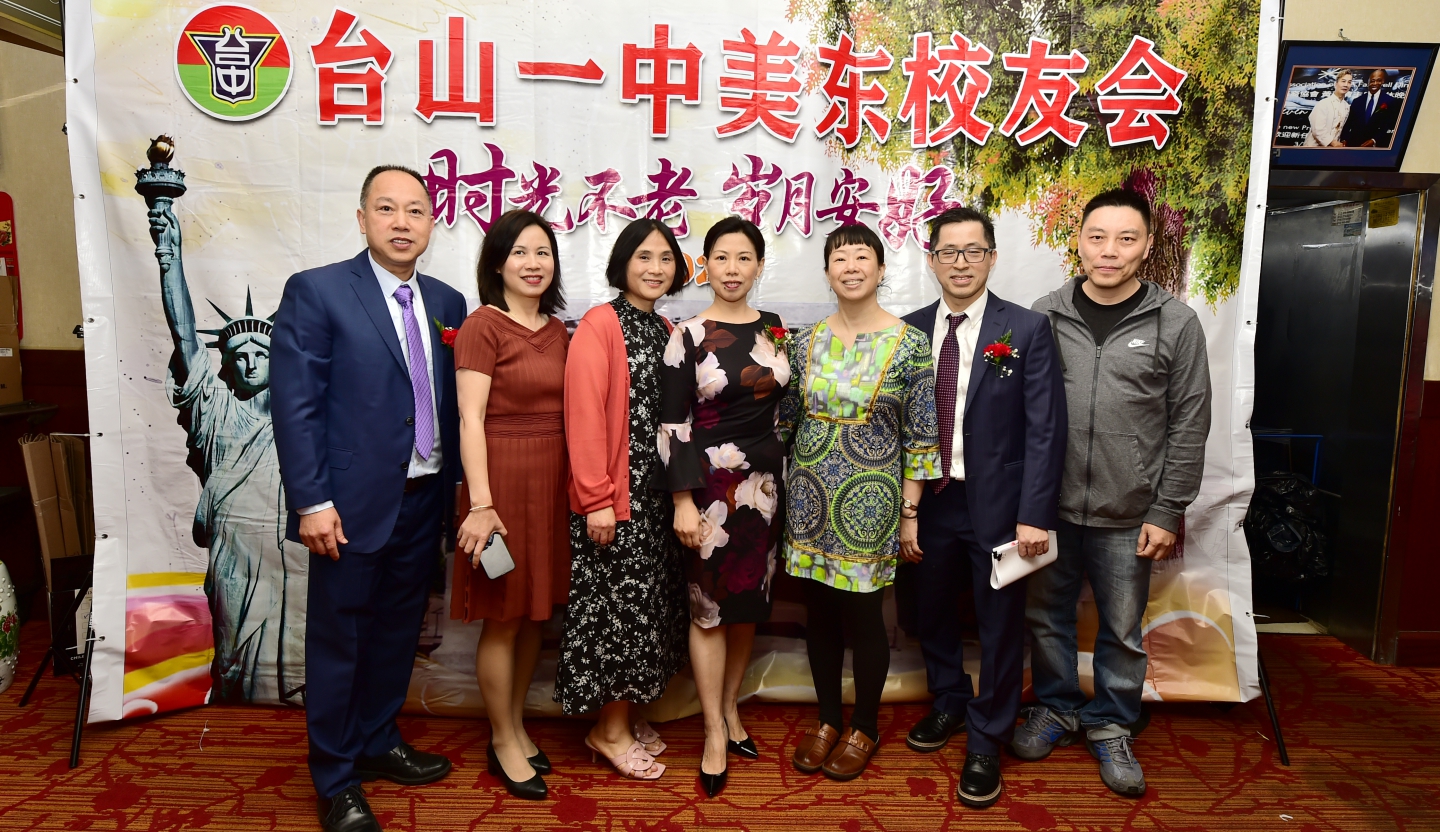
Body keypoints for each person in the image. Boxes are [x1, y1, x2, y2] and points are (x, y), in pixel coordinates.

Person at [271, 166, 466, 832]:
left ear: (432, 223)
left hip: (423, 498)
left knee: (396, 634)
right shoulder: (318, 291)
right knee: (340, 641)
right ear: (362, 219)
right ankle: (334, 778)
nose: (402, 222)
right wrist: (312, 501)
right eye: (387, 209)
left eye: (416, 210)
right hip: (347, 505)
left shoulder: (447, 302)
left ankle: (378, 741)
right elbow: (295, 407)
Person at [1018, 189, 1212, 798]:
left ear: (1147, 246)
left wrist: (1167, 508)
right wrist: (1024, 504)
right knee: (1045, 618)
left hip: (1130, 512)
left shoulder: (1175, 322)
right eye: (1097, 237)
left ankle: (1112, 723)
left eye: (1126, 239)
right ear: (1077, 241)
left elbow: (1190, 422)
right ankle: (1055, 707)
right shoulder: (1044, 315)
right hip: (1048, 509)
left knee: (1122, 629)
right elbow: (1021, 415)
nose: (1109, 251)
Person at [896, 207, 1066, 808]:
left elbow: (1046, 429)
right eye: (949, 251)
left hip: (999, 504)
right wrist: (903, 507)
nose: (961, 262)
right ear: (931, 259)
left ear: (992, 257)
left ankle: (987, 736)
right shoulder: (908, 330)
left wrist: (1035, 513)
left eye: (974, 251)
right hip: (928, 500)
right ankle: (948, 700)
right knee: (931, 609)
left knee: (999, 624)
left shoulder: (1026, 328)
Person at [780, 223, 940, 781]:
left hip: (870, 504)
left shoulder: (910, 343)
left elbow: (922, 436)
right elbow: (785, 423)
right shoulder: (803, 342)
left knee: (866, 615)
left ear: (881, 269)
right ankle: (828, 720)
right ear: (827, 272)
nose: (851, 267)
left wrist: (909, 513)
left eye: (861, 257)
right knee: (819, 614)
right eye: (840, 258)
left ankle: (864, 726)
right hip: (808, 500)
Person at [148, 200, 305, 705]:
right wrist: (169, 257)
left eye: (261, 354)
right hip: (234, 547)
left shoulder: (302, 416)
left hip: (292, 546)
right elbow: (185, 337)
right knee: (235, 653)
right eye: (240, 356)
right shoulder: (213, 412)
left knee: (296, 653)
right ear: (227, 365)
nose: (251, 362)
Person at [556, 218, 691, 781]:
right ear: (622, 264)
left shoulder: (665, 328)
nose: (655, 268)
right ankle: (606, 731)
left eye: (665, 258)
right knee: (616, 616)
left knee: (646, 614)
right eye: (643, 257)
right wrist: (596, 498)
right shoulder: (600, 323)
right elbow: (584, 415)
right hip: (615, 499)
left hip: (655, 500)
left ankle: (627, 716)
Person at [659, 216, 786, 798]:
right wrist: (682, 501)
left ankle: (731, 708)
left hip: (765, 490)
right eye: (721, 258)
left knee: (746, 605)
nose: (732, 270)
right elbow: (672, 425)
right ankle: (713, 730)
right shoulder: (686, 334)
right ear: (704, 265)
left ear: (758, 265)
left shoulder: (774, 327)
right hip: (709, 490)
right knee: (708, 609)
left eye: (744, 258)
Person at [451, 210, 570, 801]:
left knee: (533, 614)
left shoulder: (560, 331)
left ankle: (518, 725)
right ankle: (501, 738)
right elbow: (469, 418)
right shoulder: (483, 325)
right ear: (497, 263)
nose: (533, 263)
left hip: (551, 483)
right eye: (520, 252)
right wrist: (481, 503)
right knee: (503, 617)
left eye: (543, 252)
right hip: (497, 485)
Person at [1342, 68, 1401, 148]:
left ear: (1383, 81)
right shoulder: (1357, 101)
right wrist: (1344, 139)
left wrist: (1374, 140)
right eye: (1372, 81)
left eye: (1379, 80)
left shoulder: (1390, 101)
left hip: (1377, 147)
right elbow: (1349, 123)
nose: (1375, 83)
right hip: (1355, 145)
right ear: (1368, 81)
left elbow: (1388, 125)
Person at [1302, 69, 1352, 148]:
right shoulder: (1323, 103)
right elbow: (1317, 129)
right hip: (1314, 147)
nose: (1346, 85)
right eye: (1343, 81)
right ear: (1336, 84)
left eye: (1349, 82)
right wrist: (1333, 143)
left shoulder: (1347, 107)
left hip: (1332, 150)